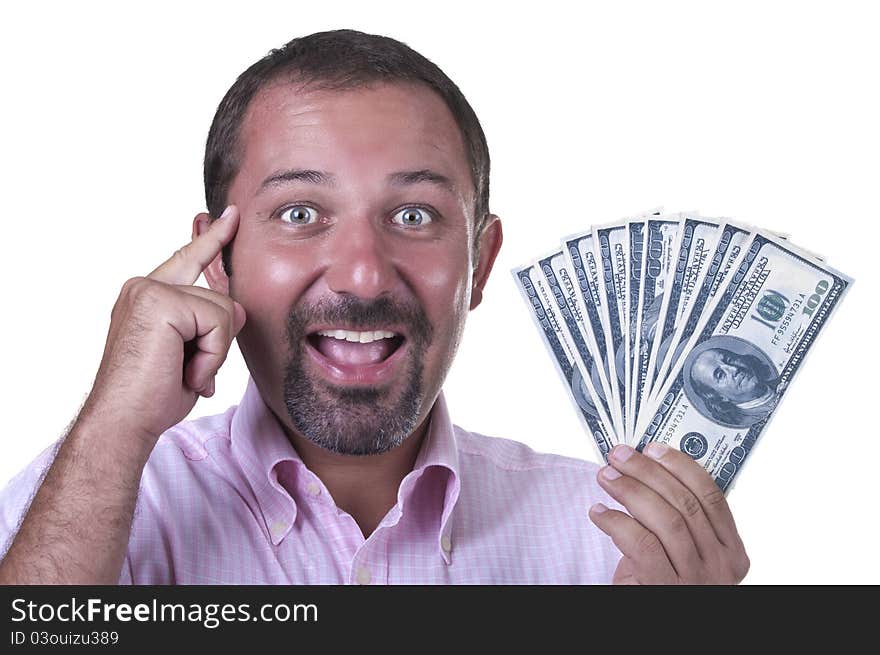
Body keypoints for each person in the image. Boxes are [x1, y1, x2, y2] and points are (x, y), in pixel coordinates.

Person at [0, 29, 749, 585]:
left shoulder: (620, 545)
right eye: (299, 213)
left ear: (479, 263)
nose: (362, 276)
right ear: (215, 261)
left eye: (415, 215)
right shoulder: (96, 500)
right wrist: (115, 423)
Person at [687, 344, 781, 428]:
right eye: (720, 375)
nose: (734, 369)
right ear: (719, 397)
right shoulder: (749, 426)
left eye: (729, 360)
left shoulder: (786, 378)